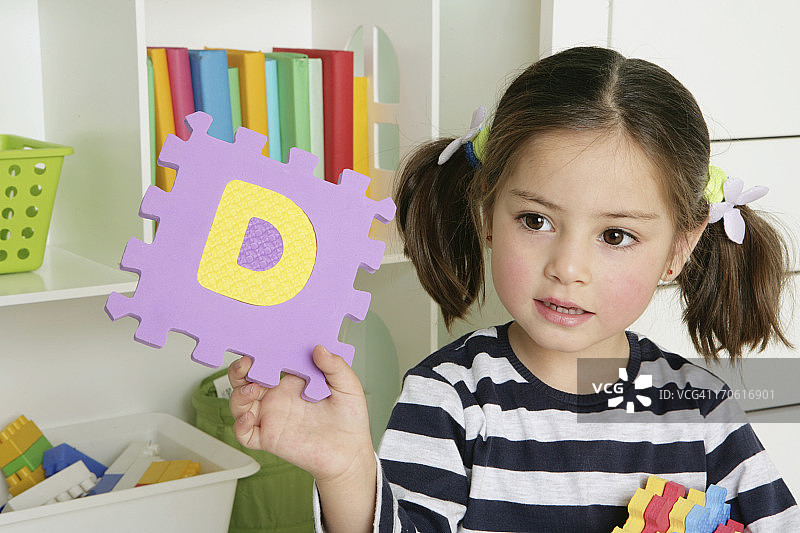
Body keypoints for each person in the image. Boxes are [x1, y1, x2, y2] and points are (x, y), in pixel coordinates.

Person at [228, 46, 799, 531]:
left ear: (678, 249)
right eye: (535, 220)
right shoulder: (449, 397)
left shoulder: (698, 408)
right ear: (487, 213)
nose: (567, 267)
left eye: (616, 235)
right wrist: (348, 471)